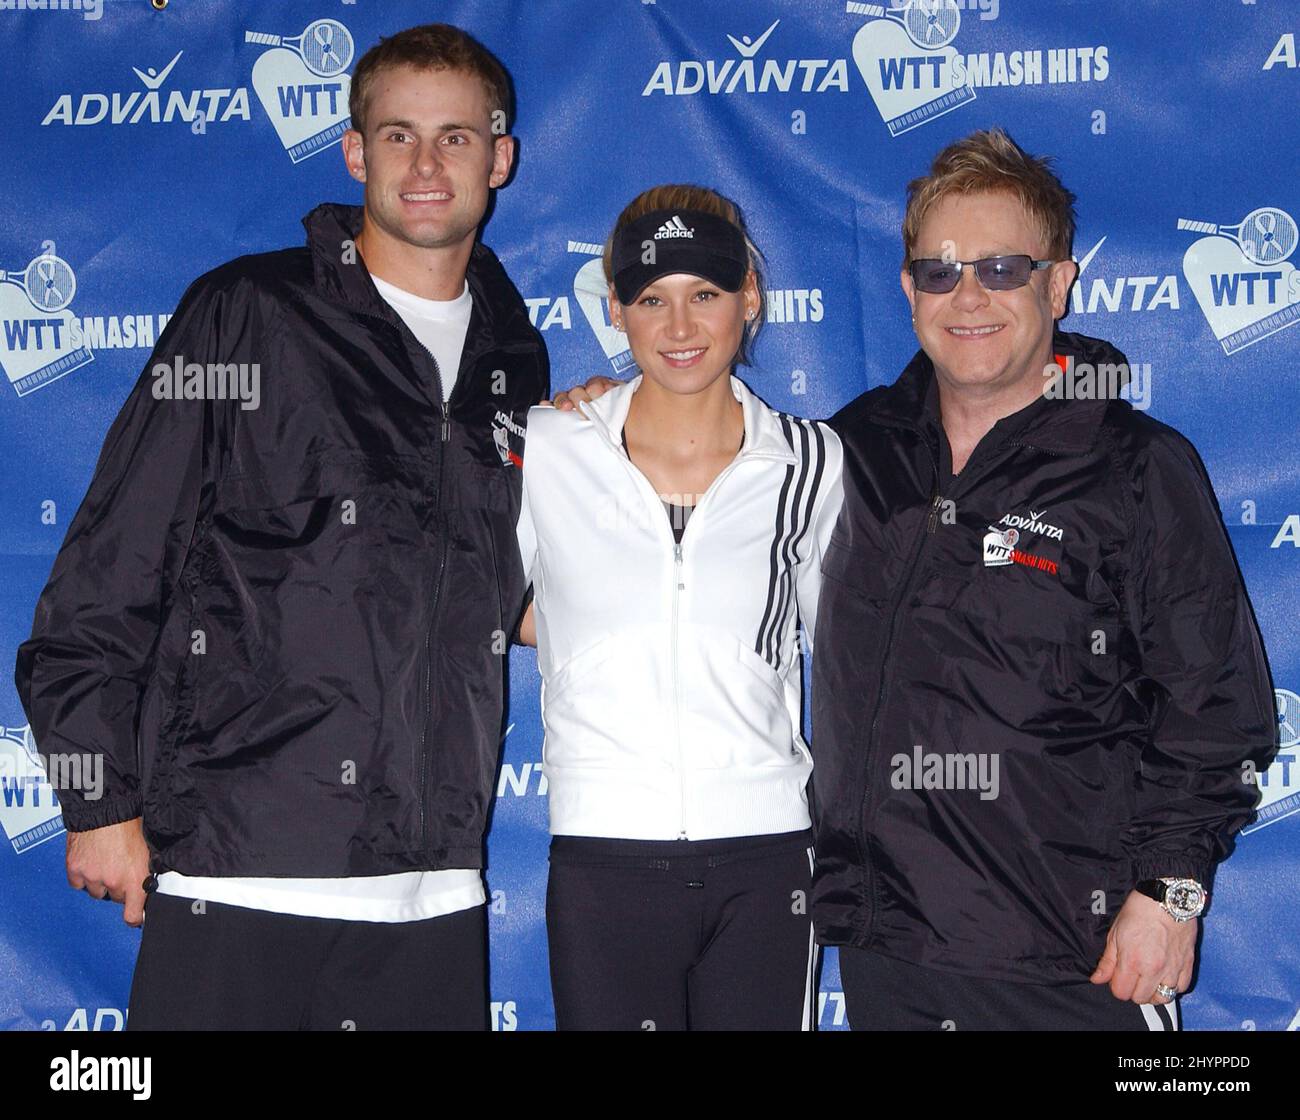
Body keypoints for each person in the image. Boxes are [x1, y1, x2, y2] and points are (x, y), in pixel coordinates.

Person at [14, 23, 547, 1030]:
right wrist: (96, 802)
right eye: (397, 136)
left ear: (499, 156)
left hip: (436, 886)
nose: (426, 165)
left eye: (456, 137)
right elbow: (110, 567)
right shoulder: (247, 314)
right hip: (240, 871)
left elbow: (491, 584)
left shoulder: (513, 355)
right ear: (354, 152)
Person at [812, 128, 1276, 1030]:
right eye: (940, 272)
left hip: (1076, 959)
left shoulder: (1137, 467)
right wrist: (601, 408)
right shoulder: (853, 450)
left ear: (1057, 283)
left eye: (1001, 268)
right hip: (886, 950)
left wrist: (1171, 895)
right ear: (909, 288)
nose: (969, 297)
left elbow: (1215, 707)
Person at [514, 185, 843, 1030]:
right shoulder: (549, 446)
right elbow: (486, 608)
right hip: (601, 854)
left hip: (767, 856)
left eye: (705, 293)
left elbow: (846, 647)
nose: (681, 326)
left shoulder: (813, 462)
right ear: (616, 312)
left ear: (750, 298)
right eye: (652, 300)